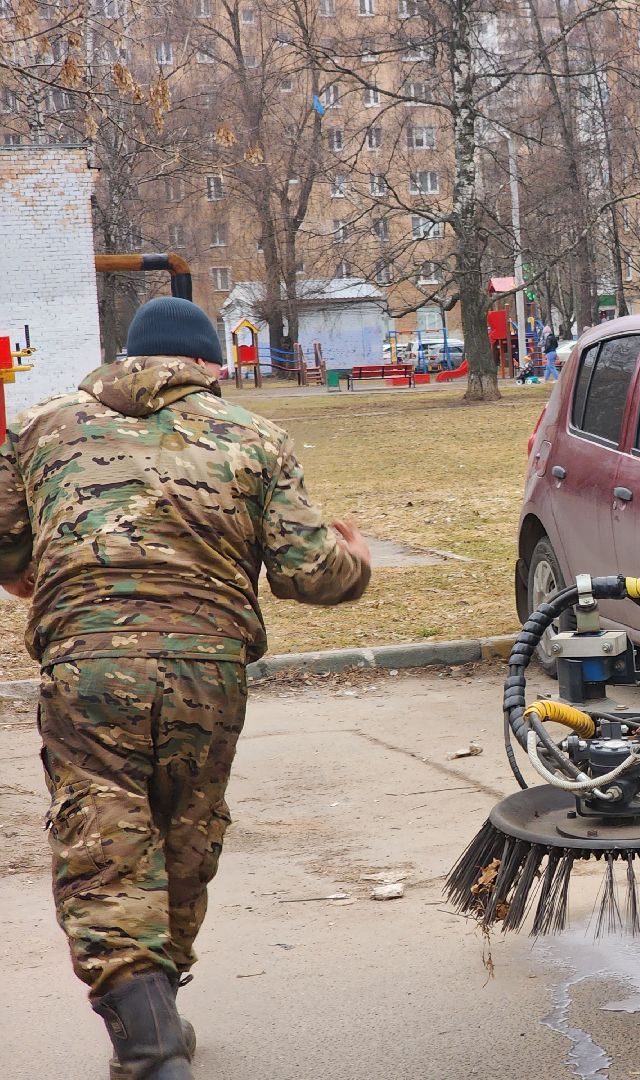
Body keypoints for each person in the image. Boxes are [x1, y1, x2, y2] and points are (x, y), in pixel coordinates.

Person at [0, 297, 371, 1079]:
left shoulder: (39, 426)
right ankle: (156, 1022)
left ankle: (149, 1038)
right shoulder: (254, 437)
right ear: (209, 364)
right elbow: (310, 573)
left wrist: (31, 570)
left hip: (87, 667)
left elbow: (5, 548)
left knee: (104, 842)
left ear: (128, 355)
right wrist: (357, 559)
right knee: (184, 837)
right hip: (207, 670)